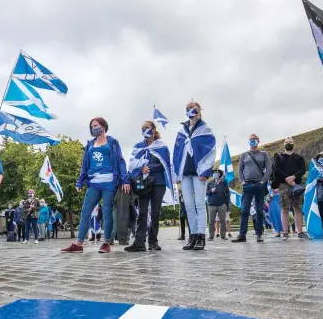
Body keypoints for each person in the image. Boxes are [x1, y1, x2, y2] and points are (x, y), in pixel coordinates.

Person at [62, 117, 130, 253]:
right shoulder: (89, 145)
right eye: (92, 126)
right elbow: (84, 165)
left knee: (106, 213)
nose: (94, 128)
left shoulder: (113, 143)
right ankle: (78, 244)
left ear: (104, 126)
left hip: (109, 183)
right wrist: (80, 181)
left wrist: (125, 180)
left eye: (96, 125)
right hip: (93, 184)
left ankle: (106, 243)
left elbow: (121, 161)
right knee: (85, 213)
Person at [173, 101, 216, 251]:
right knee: (189, 206)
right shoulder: (182, 132)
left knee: (199, 204)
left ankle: (201, 237)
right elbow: (177, 153)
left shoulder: (206, 130)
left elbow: (211, 152)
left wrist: (205, 171)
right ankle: (192, 236)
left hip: (198, 174)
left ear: (199, 111)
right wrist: (176, 174)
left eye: (193, 109)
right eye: (187, 109)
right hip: (185, 174)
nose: (190, 111)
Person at [125, 121, 174, 252]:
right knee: (142, 212)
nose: (145, 131)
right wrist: (141, 168)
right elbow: (132, 164)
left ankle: (153, 241)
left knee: (155, 213)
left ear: (153, 129)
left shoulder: (161, 146)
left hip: (158, 183)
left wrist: (149, 167)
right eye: (143, 129)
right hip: (144, 184)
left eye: (147, 128)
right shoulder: (138, 146)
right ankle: (139, 242)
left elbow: (165, 164)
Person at [232, 134, 272, 243]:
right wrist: (243, 181)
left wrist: (263, 181)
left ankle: (259, 234)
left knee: (259, 210)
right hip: (247, 185)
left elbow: (269, 169)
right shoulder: (244, 155)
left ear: (258, 141)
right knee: (245, 210)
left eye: (254, 139)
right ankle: (242, 235)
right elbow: (240, 170)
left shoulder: (264, 154)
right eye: (250, 139)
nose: (252, 141)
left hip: (259, 184)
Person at [273, 136, 308, 241]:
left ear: (293, 143)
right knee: (285, 209)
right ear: (284, 144)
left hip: (297, 185)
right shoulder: (279, 157)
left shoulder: (299, 157)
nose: (288, 143)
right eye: (286, 142)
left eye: (290, 141)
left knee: (298, 208)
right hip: (283, 185)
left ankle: (300, 232)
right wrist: (287, 178)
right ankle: (285, 232)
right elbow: (277, 170)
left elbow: (303, 170)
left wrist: (293, 177)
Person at [207, 169, 230, 241]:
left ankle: (223, 235)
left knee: (223, 221)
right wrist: (211, 191)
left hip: (222, 205)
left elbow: (227, 194)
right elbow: (205, 192)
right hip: (211, 205)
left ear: (220, 175)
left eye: (216, 173)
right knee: (211, 221)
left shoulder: (224, 182)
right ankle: (211, 236)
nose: (215, 174)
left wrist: (227, 205)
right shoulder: (210, 183)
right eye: (214, 173)